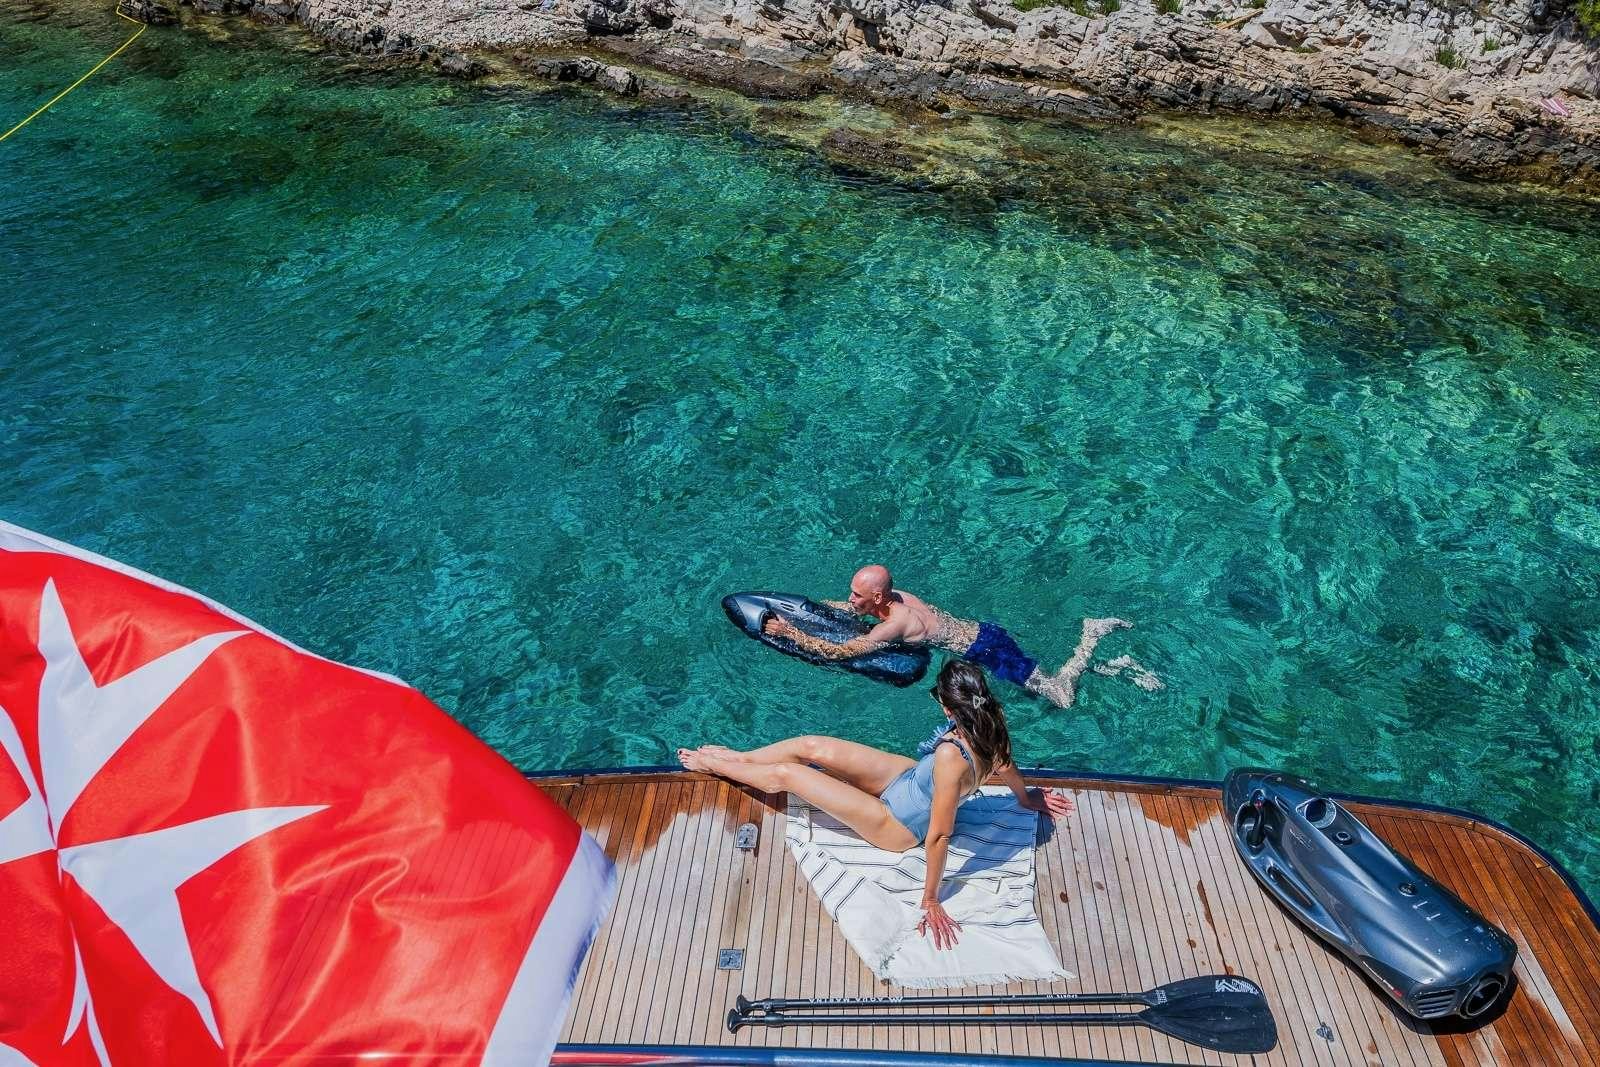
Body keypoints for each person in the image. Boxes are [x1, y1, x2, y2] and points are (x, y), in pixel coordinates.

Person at [677, 660, 1074, 950]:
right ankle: (743, 758)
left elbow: (939, 835)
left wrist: (931, 899)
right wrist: (1026, 797)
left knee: (788, 774)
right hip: (908, 780)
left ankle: (715, 765)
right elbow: (1005, 763)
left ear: (948, 708)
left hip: (896, 823)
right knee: (812, 746)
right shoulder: (992, 720)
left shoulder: (951, 757)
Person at [762, 564, 1160, 708]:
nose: (851, 600)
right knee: (1036, 686)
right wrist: (815, 606)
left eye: (856, 594)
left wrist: (790, 632)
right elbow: (853, 610)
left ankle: (1091, 637)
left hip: (985, 650)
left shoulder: (892, 625)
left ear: (877, 596)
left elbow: (838, 652)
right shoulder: (897, 598)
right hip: (985, 633)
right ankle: (1106, 668)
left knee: (1061, 697)